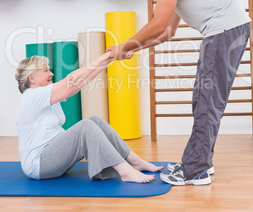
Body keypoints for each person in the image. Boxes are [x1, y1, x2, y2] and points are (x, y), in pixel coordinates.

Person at [107, 0, 251, 186]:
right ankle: (200, 160)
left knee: (206, 100)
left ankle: (196, 170)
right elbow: (168, 32)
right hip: (225, 31)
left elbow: (159, 23)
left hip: (224, 31)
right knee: (203, 99)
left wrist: (125, 46)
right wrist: (135, 50)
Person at [15, 53, 163, 183]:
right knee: (85, 126)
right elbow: (70, 82)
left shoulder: (45, 95)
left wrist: (110, 59)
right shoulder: (31, 97)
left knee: (95, 121)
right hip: (38, 165)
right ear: (31, 78)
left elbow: (79, 82)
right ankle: (125, 171)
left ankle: (134, 161)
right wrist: (106, 56)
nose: (51, 73)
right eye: (46, 70)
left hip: (54, 157)